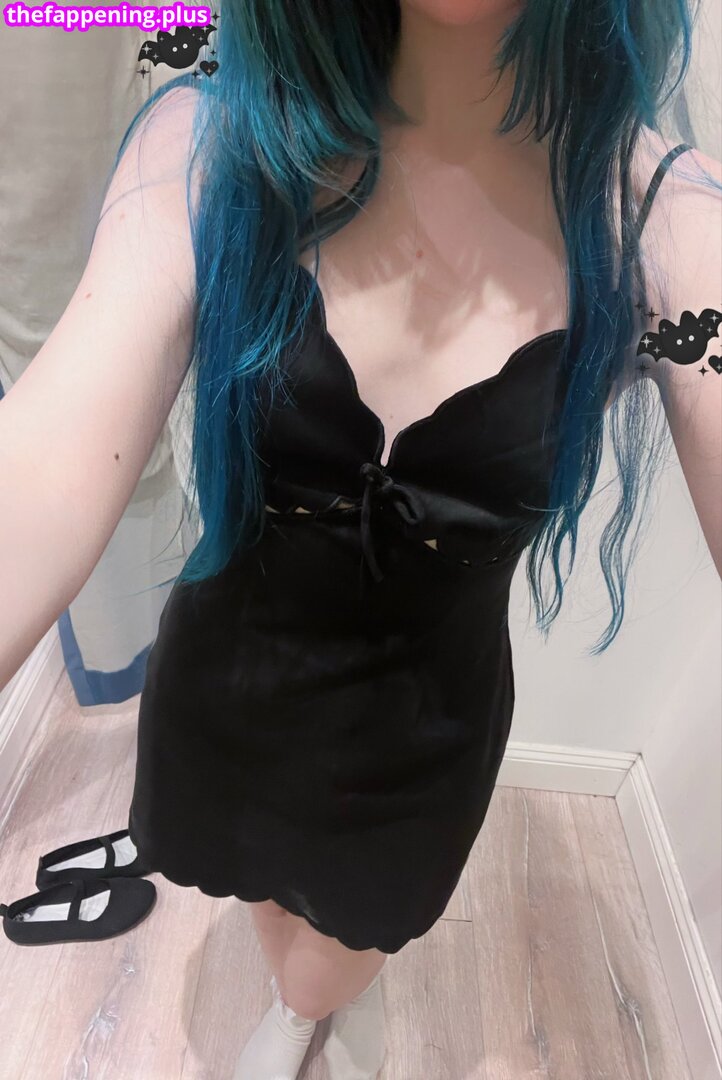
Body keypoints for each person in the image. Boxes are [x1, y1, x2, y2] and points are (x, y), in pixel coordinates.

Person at [1, 2, 720, 1078]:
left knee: (334, 956)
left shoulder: (664, 232)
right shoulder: (209, 148)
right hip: (227, 691)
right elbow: (40, 470)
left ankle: (306, 1014)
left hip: (418, 742)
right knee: (254, 887)